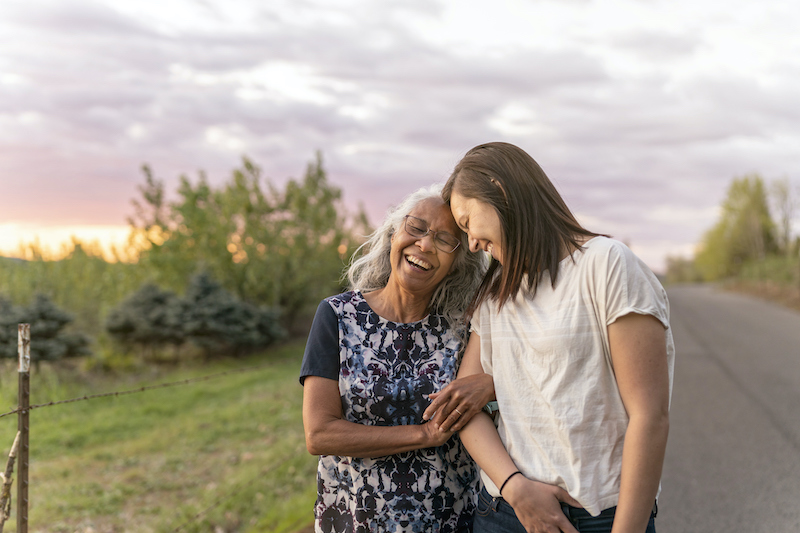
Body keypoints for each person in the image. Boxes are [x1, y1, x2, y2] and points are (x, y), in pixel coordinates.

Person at [424, 142, 675, 533]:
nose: (471, 243)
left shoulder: (606, 265)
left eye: (468, 221)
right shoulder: (496, 294)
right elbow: (463, 408)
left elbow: (650, 416)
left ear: (499, 189)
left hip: (600, 517)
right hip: (506, 512)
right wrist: (514, 488)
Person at [299, 184, 487, 532]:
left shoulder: (467, 329)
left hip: (450, 519)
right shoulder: (337, 316)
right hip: (357, 518)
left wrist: (490, 384)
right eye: (415, 227)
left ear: (458, 263)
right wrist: (423, 434)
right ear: (393, 233)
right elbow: (320, 434)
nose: (425, 244)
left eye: (445, 240)